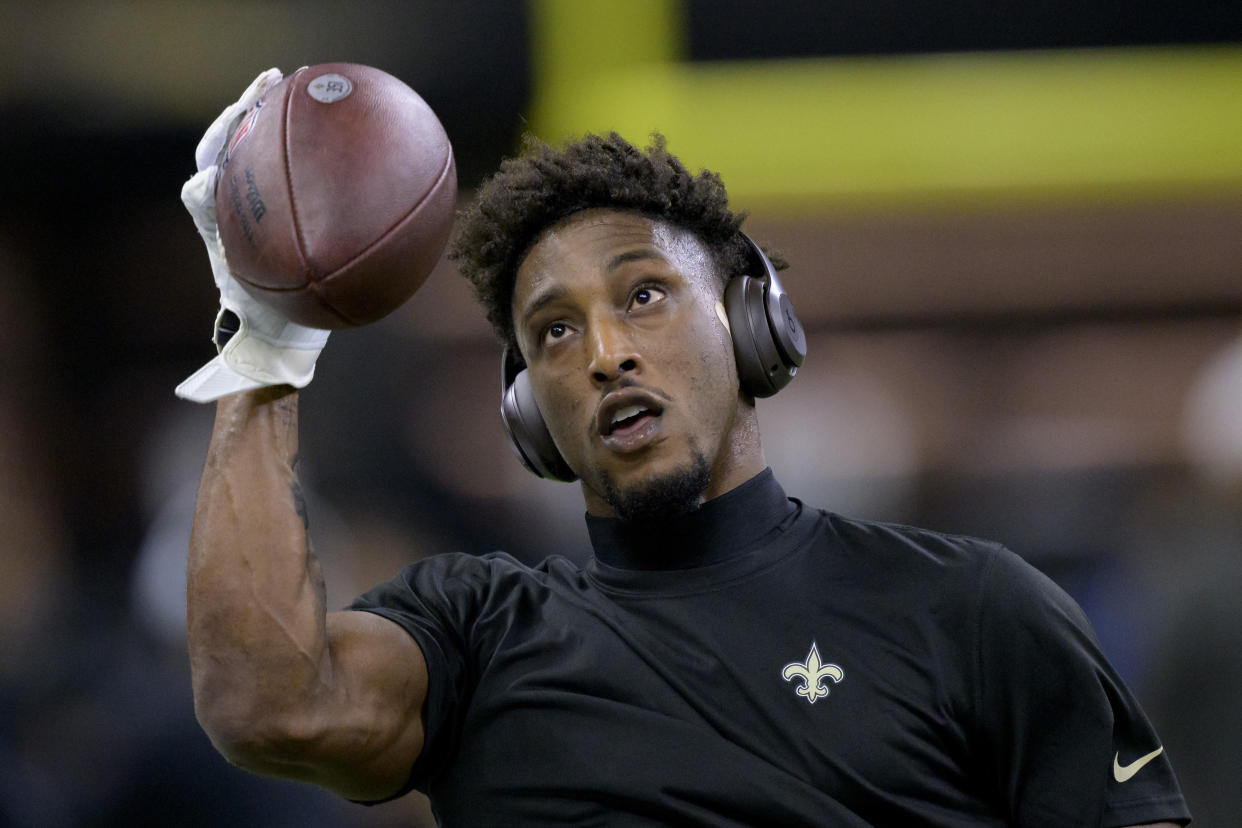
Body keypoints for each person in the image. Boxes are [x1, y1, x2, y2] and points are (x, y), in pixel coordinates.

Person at [179, 71, 1191, 826]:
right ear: (529, 412)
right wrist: (266, 335)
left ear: (754, 325)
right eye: (555, 332)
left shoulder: (972, 609)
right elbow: (268, 705)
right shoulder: (479, 638)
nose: (608, 353)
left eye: (645, 295)